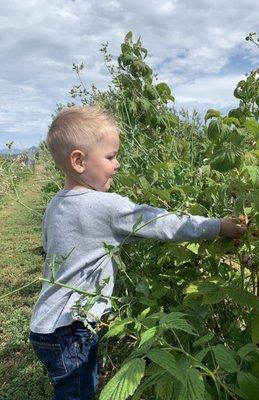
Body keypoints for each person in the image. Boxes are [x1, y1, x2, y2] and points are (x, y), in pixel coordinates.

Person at [29, 105, 247, 400]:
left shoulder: (57, 203)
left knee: (76, 388)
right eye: (110, 156)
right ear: (79, 161)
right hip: (72, 329)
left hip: (45, 326)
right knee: (79, 393)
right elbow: (163, 223)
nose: (117, 164)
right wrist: (217, 226)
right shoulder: (106, 206)